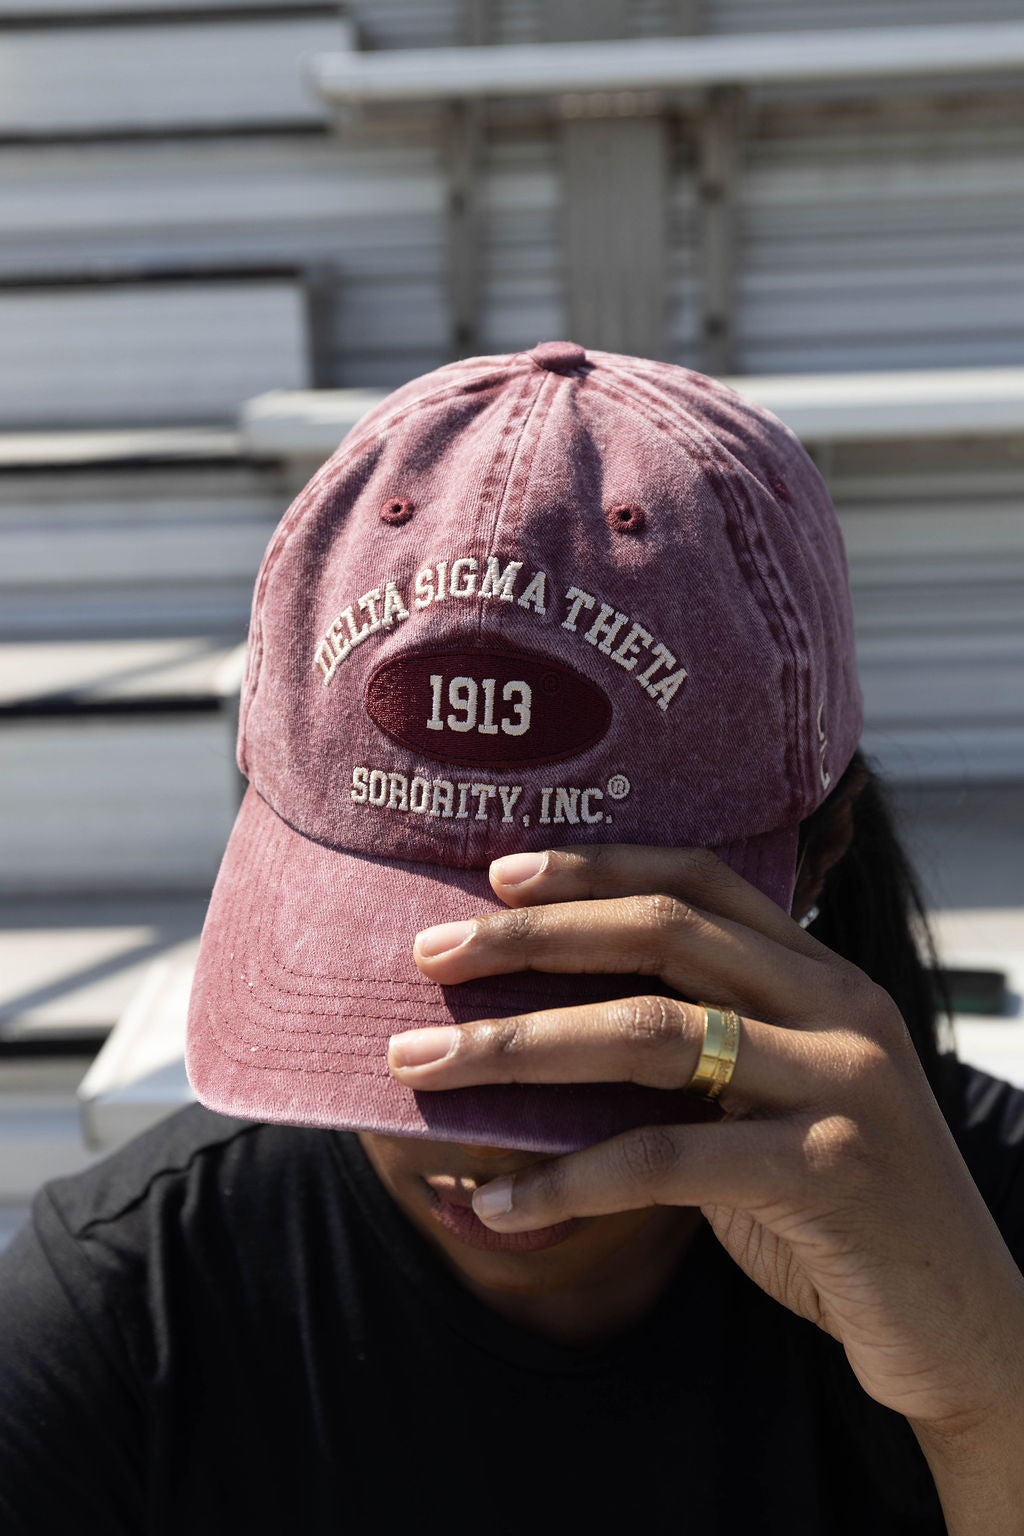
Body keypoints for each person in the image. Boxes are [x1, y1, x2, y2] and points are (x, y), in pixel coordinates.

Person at [2, 341, 1024, 1535]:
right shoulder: (115, 1315)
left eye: (584, 983)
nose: (481, 1130)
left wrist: (982, 1401)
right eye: (396, 969)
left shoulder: (983, 1246)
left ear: (823, 851)